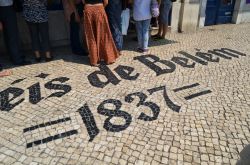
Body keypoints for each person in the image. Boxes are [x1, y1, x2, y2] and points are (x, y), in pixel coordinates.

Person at [82, 0, 119, 66]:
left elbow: (83, 1)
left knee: (91, 35)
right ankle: (109, 58)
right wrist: (101, 8)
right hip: (99, 8)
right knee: (104, 34)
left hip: (88, 9)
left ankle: (94, 60)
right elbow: (106, 2)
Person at [0, 0, 30, 66]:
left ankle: (15, 57)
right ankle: (17, 58)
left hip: (8, 7)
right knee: (12, 34)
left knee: (10, 35)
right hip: (6, 8)